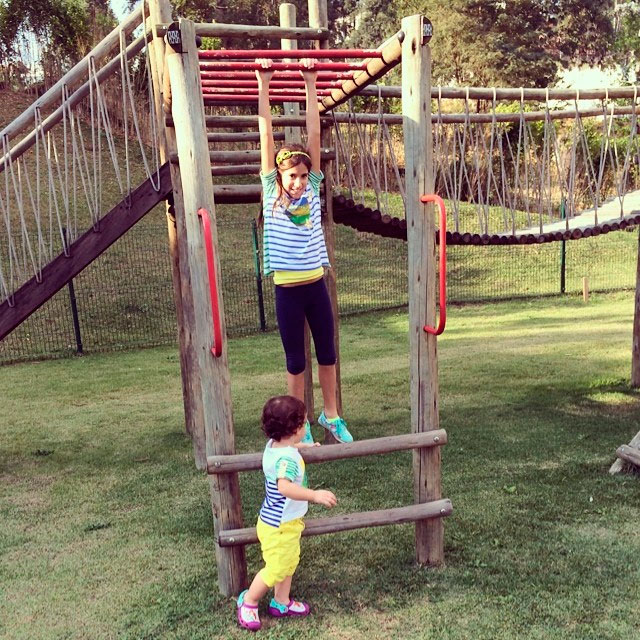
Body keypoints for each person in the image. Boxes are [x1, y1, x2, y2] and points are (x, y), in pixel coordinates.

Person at [256, 57, 353, 445]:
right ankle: (299, 426)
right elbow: (265, 136)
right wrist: (264, 85)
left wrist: (311, 83)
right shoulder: (270, 191)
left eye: (301, 174)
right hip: (287, 291)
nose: (297, 181)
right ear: (279, 175)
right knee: (296, 362)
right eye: (291, 175)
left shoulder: (313, 188)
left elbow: (314, 133)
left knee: (327, 354)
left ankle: (331, 416)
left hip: (315, 286)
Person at [236, 395, 337, 631]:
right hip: (278, 526)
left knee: (289, 562)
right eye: (303, 423)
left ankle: (281, 602)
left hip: (284, 524)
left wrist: (305, 446)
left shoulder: (275, 446)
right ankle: (249, 601)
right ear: (294, 429)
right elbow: (284, 486)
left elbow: (289, 446)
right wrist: (314, 495)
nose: (306, 426)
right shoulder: (287, 460)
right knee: (276, 568)